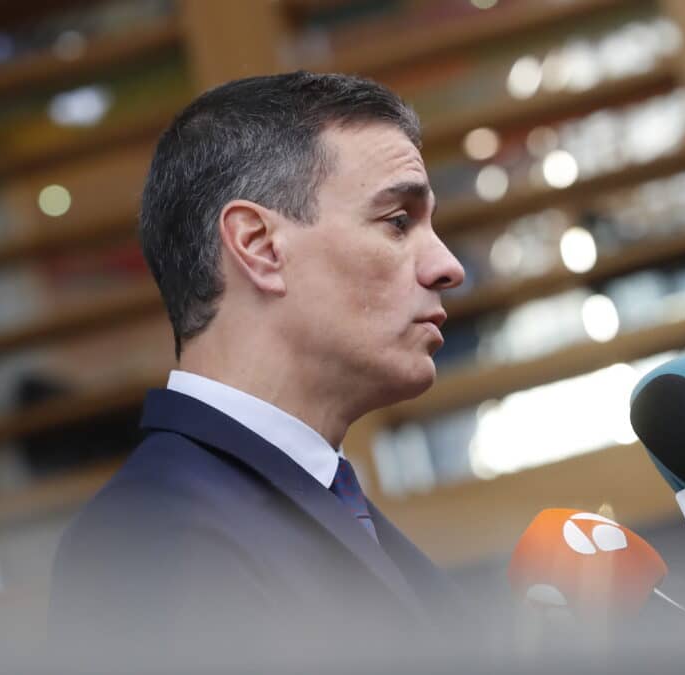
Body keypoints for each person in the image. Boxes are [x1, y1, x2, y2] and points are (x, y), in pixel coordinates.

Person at [48, 71, 468, 669]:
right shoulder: (151, 533)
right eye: (398, 221)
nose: (447, 265)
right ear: (259, 246)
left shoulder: (294, 494)